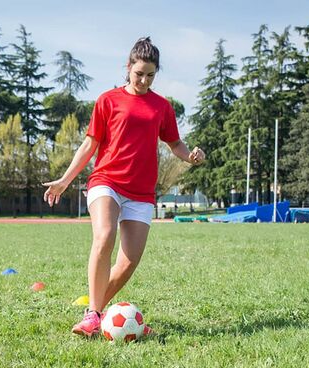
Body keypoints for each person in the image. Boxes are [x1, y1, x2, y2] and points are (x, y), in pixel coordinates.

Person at [43, 37, 205, 337]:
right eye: (139, 73)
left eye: (150, 75)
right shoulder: (108, 100)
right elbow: (90, 144)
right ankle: (93, 314)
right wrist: (65, 180)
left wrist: (191, 157)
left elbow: (175, 143)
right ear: (128, 67)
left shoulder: (162, 107)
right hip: (107, 180)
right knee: (104, 236)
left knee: (128, 263)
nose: (143, 80)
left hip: (141, 193)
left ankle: (96, 310)